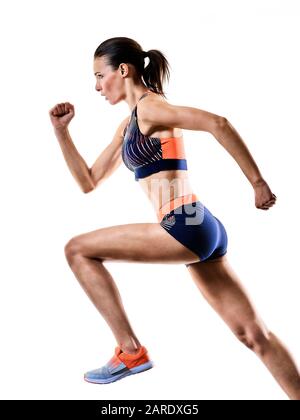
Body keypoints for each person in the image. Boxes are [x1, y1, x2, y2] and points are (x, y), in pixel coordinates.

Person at [49, 37, 300, 398]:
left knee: (77, 250)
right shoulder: (129, 124)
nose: (96, 86)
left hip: (183, 224)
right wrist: (62, 132)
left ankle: (130, 352)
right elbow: (89, 181)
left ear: (123, 70)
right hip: (202, 225)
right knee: (254, 335)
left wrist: (257, 183)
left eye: (99, 75)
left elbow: (218, 123)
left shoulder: (151, 108)